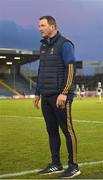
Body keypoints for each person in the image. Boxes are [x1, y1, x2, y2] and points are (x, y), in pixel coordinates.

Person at [33, 16, 81, 178]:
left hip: (60, 97)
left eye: (42, 25)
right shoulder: (43, 47)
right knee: (51, 131)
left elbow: (71, 69)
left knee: (67, 130)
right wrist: (37, 93)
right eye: (39, 26)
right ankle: (56, 164)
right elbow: (41, 71)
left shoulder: (65, 44)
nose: (39, 28)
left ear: (52, 26)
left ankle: (74, 166)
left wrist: (65, 92)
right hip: (46, 96)